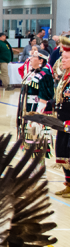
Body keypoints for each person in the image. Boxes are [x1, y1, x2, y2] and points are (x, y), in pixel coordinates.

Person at [17, 49, 54, 163]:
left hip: (37, 113)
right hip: (28, 111)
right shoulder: (32, 72)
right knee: (30, 142)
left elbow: (44, 97)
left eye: (33, 57)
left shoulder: (45, 74)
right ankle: (33, 170)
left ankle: (39, 170)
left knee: (38, 142)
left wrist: (37, 117)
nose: (30, 59)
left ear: (41, 60)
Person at [53, 45, 70, 197]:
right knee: (62, 151)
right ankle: (68, 184)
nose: (62, 61)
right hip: (62, 121)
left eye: (66, 58)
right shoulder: (65, 76)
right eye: (62, 58)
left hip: (69, 121)